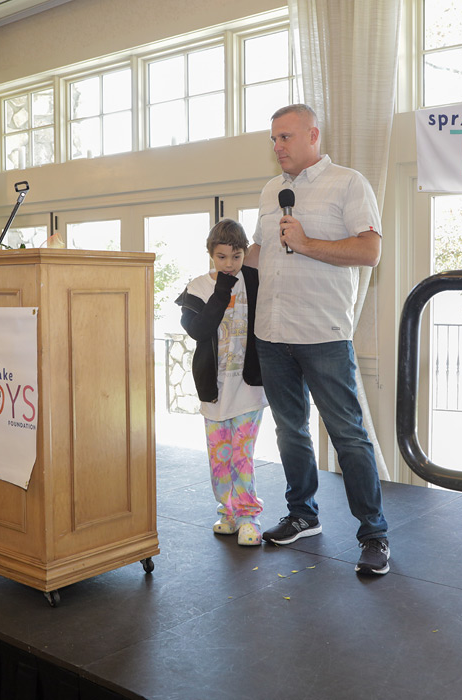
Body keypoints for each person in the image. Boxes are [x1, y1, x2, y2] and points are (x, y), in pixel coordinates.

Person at [246, 104, 390, 575]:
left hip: (323, 334)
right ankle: (302, 515)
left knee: (348, 434)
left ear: (313, 135)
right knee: (290, 431)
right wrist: (226, 263)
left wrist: (307, 244)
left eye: (285, 136)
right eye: (273, 139)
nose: (277, 146)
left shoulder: (348, 183)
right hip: (271, 334)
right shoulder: (271, 190)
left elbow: (370, 250)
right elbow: (262, 251)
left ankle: (374, 534)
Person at [175, 219, 268, 546]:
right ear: (210, 254)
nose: (229, 264)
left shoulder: (254, 281)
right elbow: (199, 331)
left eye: (236, 256)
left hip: (249, 389)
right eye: (222, 257)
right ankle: (227, 512)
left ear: (244, 254)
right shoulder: (197, 288)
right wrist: (222, 290)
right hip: (213, 391)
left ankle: (248, 516)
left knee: (242, 457)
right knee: (219, 459)